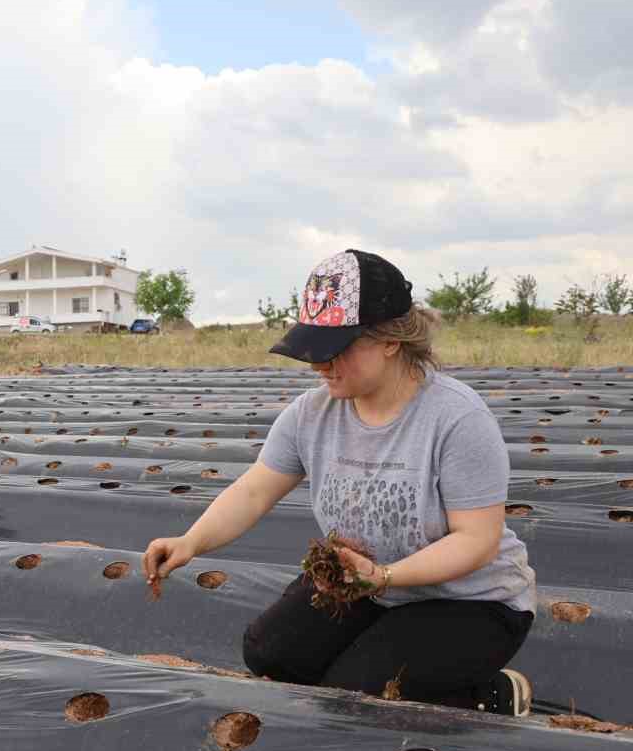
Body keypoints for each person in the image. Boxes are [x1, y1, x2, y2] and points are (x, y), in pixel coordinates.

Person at [143, 249, 537, 716]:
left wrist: (386, 576)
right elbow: (253, 491)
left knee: (358, 697)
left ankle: (488, 693)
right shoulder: (312, 414)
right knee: (270, 654)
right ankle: (390, 659)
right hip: (365, 583)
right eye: (313, 350)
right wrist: (191, 541)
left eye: (336, 350)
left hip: (468, 602)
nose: (320, 365)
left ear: (389, 340)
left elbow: (478, 540)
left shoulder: (456, 419)